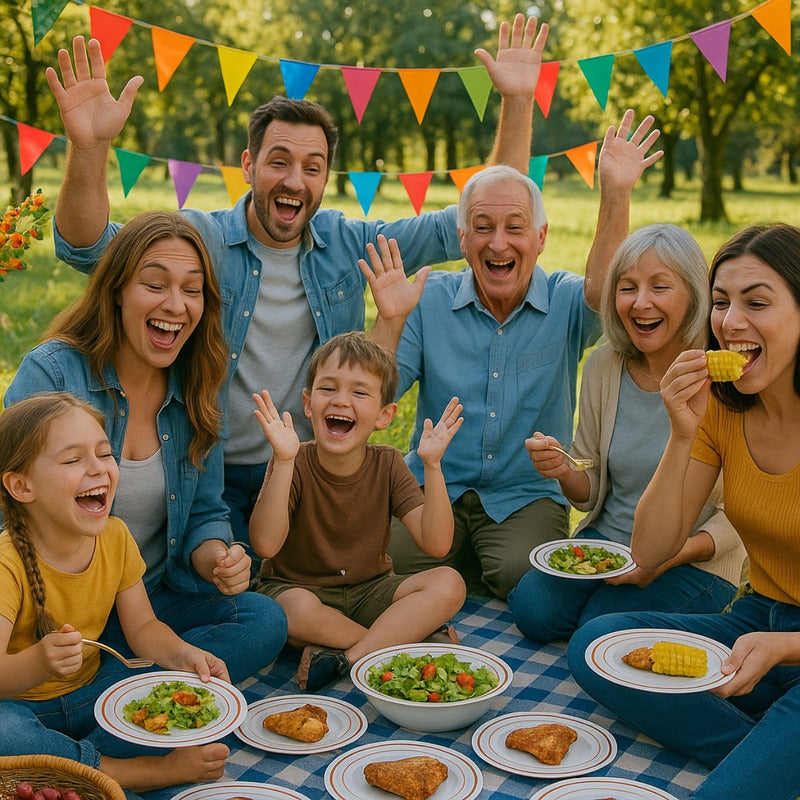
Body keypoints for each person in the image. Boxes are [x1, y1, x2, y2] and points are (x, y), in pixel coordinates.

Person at [45, 15, 549, 550]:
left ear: (326, 178)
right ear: (248, 164)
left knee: (297, 598)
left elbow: (485, 212)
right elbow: (90, 248)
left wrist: (517, 102)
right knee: (237, 594)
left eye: (313, 167)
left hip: (309, 472)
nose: (294, 181)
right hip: (208, 473)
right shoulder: (203, 240)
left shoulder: (351, 244)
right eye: (278, 162)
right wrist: (90, 147)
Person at [385, 113, 664, 601]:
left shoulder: (564, 301)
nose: (498, 243)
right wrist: (388, 320)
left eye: (516, 227)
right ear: (463, 239)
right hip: (432, 486)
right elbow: (376, 391)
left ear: (540, 238)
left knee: (527, 579)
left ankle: (469, 563)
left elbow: (604, 295)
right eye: (483, 227)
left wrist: (615, 193)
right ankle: (455, 563)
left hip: (524, 495)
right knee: (381, 568)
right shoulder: (428, 301)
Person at [567, 223, 800, 800]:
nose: (731, 322)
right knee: (596, 648)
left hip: (788, 645)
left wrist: (787, 648)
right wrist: (680, 435)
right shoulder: (723, 410)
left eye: (757, 302)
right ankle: (768, 753)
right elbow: (648, 550)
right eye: (722, 303)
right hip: (755, 622)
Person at [5, 212, 287, 683]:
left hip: (153, 605)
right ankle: (121, 706)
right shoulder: (54, 375)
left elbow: (204, 513)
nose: (176, 304)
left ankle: (115, 699)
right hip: (58, 619)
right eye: (155, 285)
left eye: (192, 290)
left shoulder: (200, 383)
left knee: (263, 620)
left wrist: (217, 558)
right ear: (116, 289)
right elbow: (7, 509)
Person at [509, 224, 746, 643]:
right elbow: (590, 489)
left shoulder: (723, 384)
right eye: (627, 287)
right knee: (532, 608)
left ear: (694, 296)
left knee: (599, 628)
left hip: (694, 557)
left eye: (660, 287)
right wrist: (563, 469)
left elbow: (737, 517)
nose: (640, 303)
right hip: (609, 544)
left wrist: (669, 557)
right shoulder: (605, 366)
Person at [0, 393, 231, 792]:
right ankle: (144, 771)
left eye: (105, 454)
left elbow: (142, 627)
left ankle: (73, 762)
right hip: (20, 708)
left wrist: (185, 656)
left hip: (95, 692)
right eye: (73, 460)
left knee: (174, 677)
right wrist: (40, 661)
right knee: (6, 733)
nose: (99, 469)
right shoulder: (7, 563)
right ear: (22, 486)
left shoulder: (116, 536)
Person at [249, 330, 466, 692]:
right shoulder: (292, 460)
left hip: (370, 590)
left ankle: (345, 656)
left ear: (384, 415)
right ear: (307, 403)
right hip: (299, 591)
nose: (341, 401)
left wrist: (433, 466)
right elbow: (265, 546)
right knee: (291, 611)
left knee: (449, 583)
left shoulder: (390, 464)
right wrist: (284, 462)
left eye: (359, 392)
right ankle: (405, 646)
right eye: (328, 388)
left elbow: (437, 543)